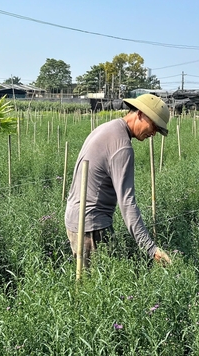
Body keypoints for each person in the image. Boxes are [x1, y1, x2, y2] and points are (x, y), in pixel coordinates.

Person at [64, 93, 173, 267]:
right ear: (140, 114)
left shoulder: (108, 127)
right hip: (92, 226)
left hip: (76, 217)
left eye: (158, 131)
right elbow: (127, 203)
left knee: (88, 283)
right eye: (154, 126)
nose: (153, 133)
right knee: (99, 286)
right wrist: (150, 248)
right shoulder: (122, 146)